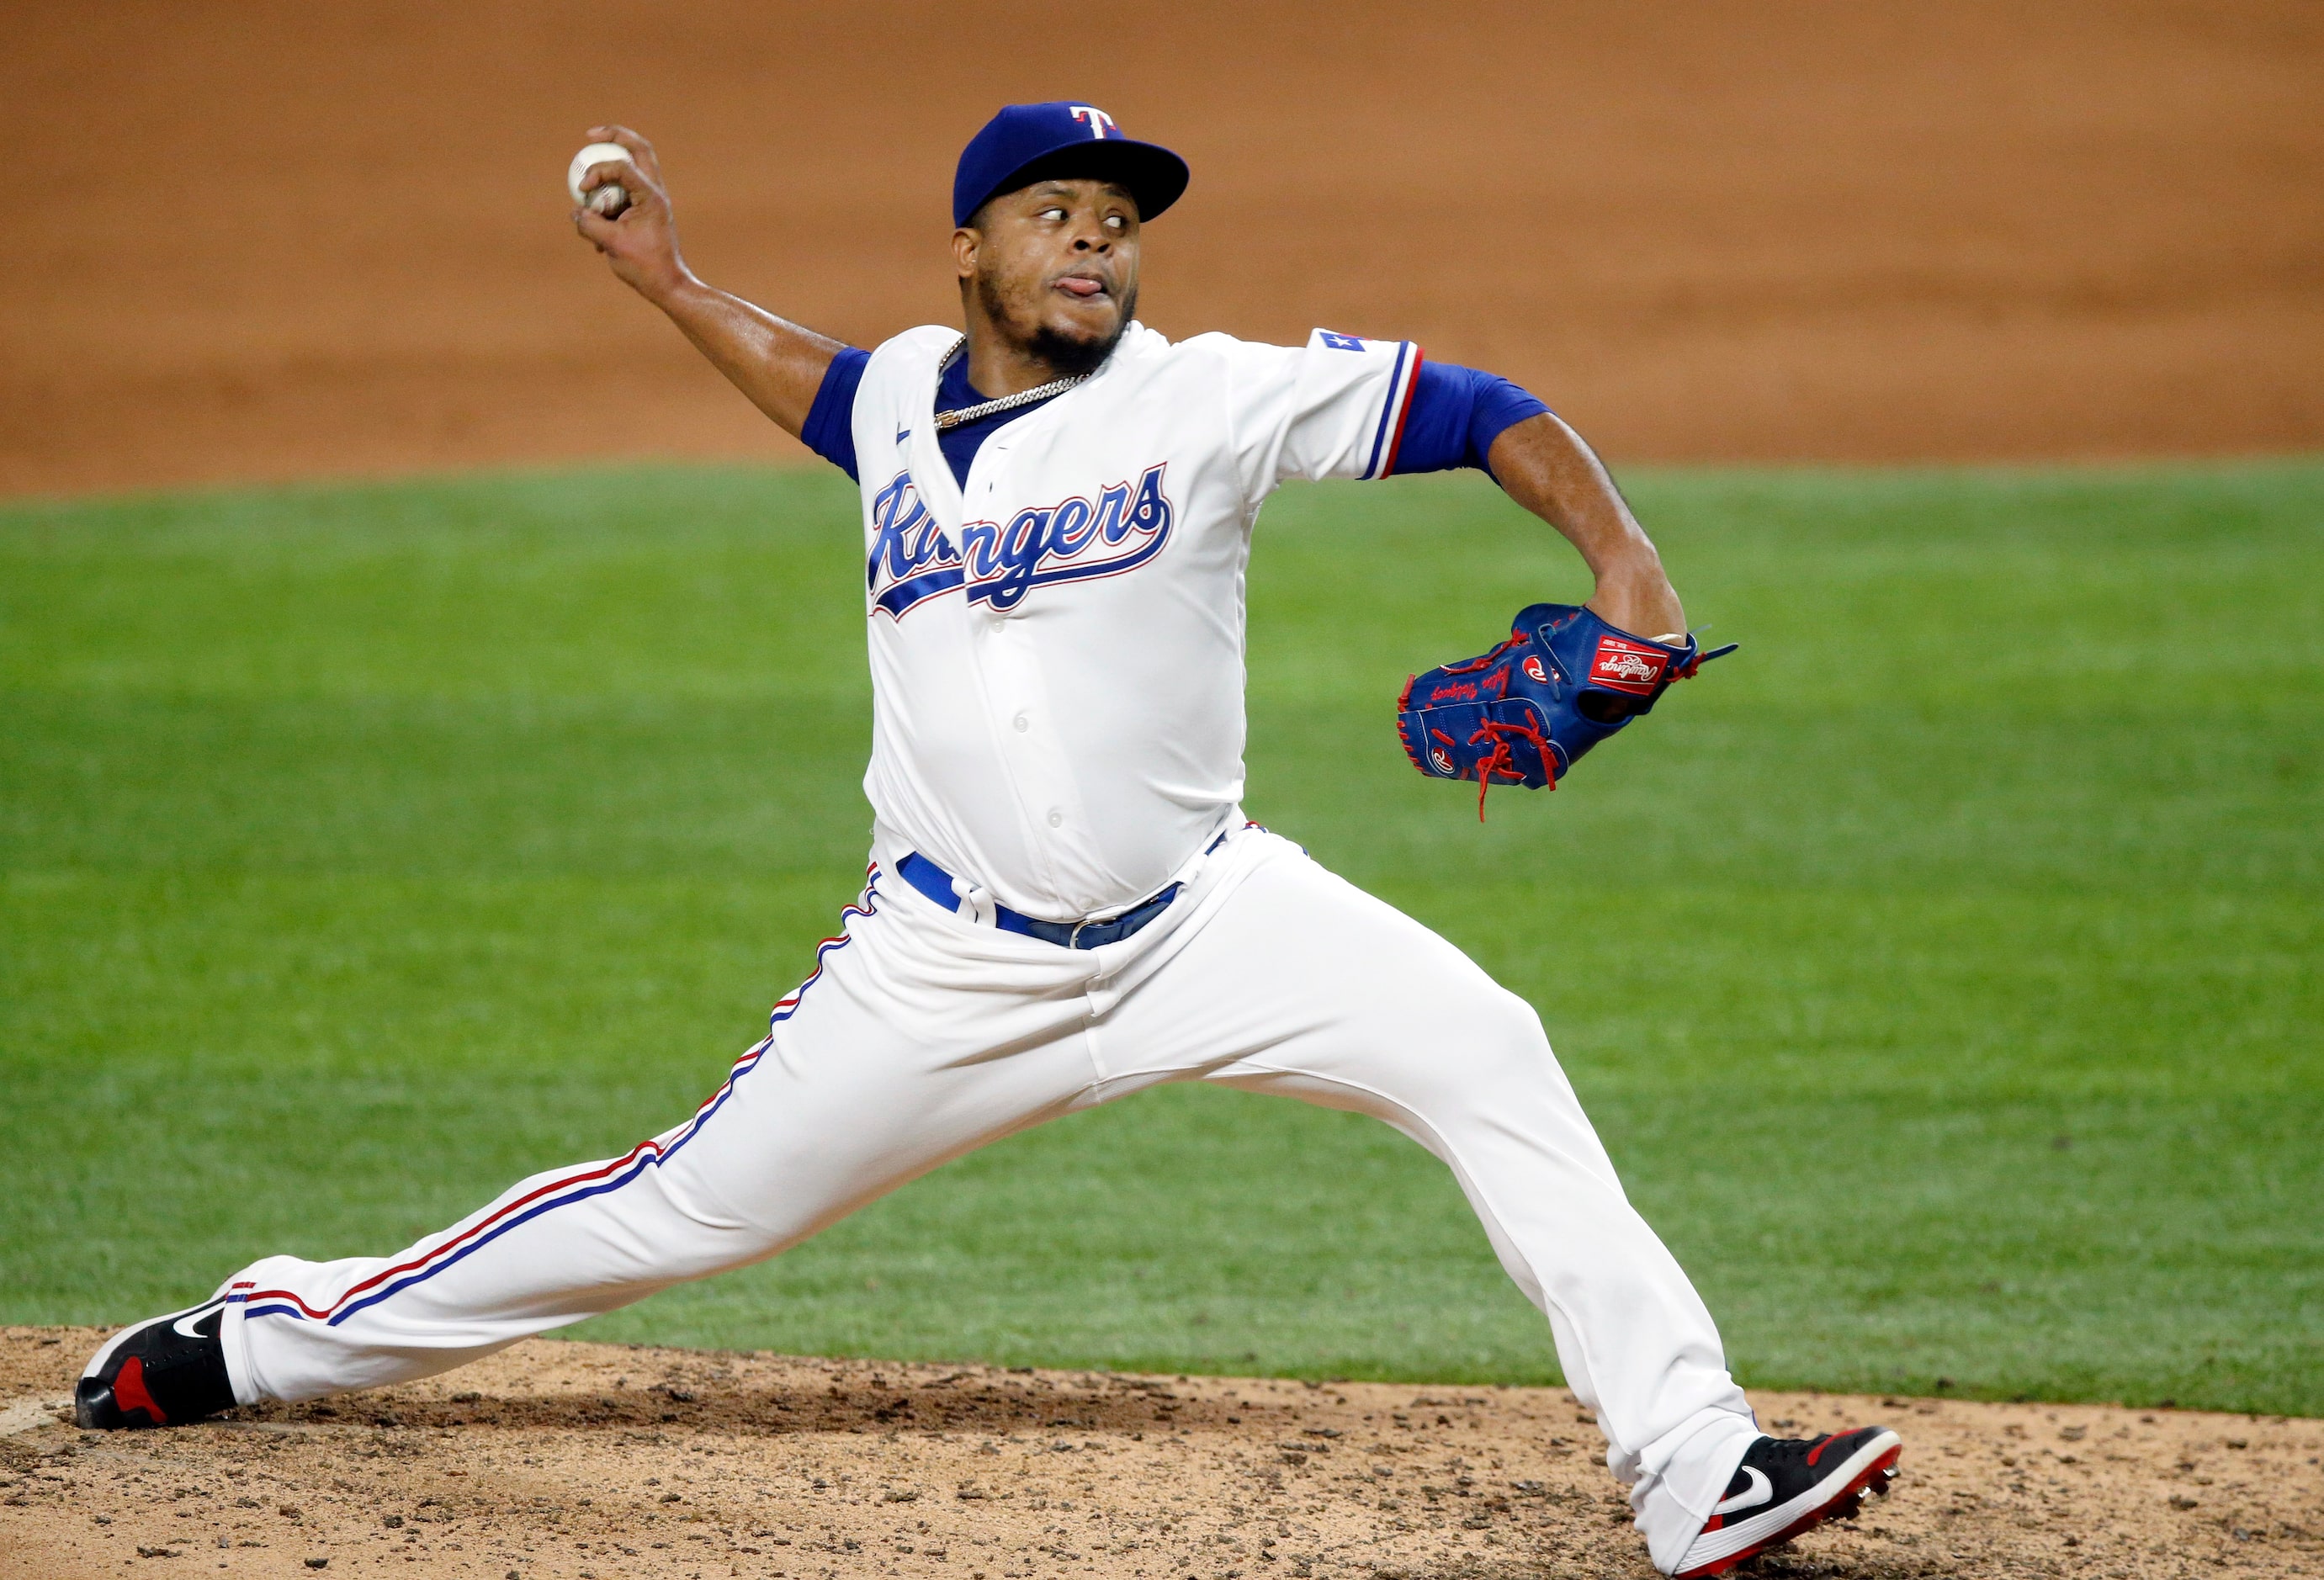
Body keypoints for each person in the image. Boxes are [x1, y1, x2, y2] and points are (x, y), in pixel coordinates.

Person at [76, 102, 1898, 1577]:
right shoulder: (887, 404)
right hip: (941, 966)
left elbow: (1484, 410)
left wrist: (1625, 566)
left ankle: (1696, 1469)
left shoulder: (1208, 396)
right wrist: (667, 277)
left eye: (1120, 215)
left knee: (1488, 1046)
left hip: (1209, 924)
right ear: (971, 251)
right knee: (674, 1212)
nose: (1098, 237)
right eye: (1055, 209)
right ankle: (259, 1340)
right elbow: (805, 375)